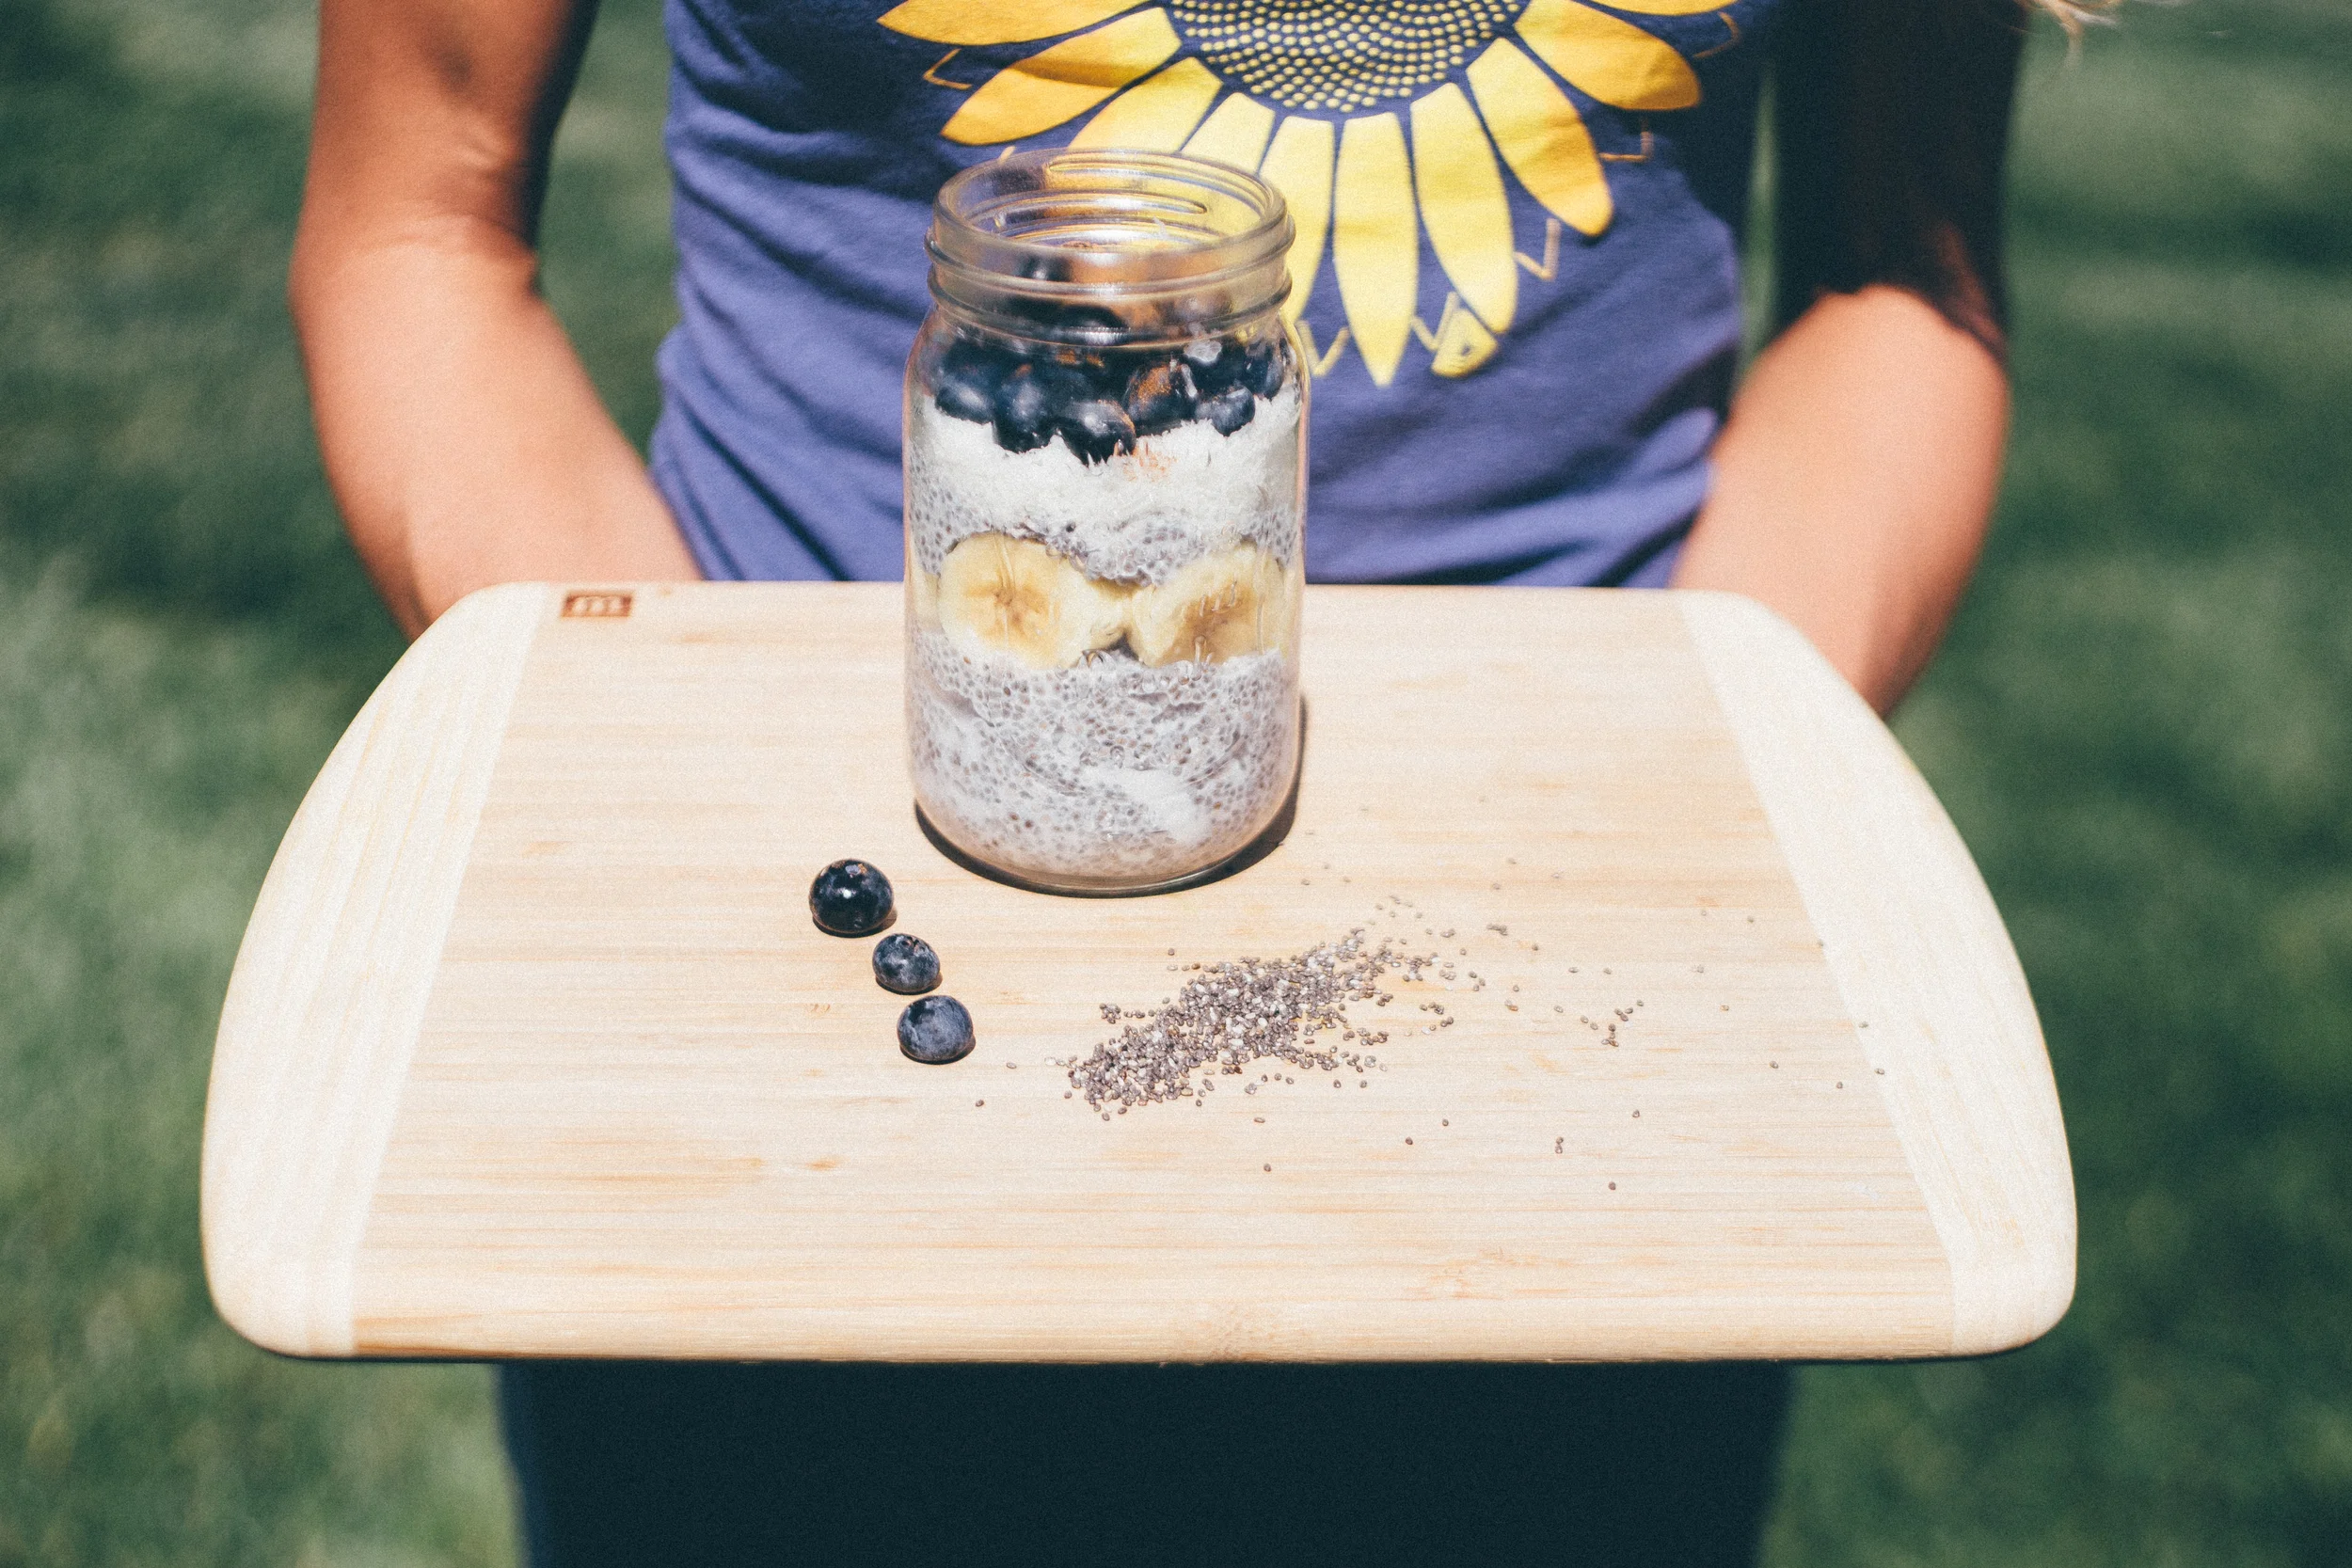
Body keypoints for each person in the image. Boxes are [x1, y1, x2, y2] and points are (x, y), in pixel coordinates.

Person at [291, 0, 2063, 1561]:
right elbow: (419, 227)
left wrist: (1668, 838)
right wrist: (734, 876)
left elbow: (1896, 284)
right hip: (800, 1069)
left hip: (1572, 1086)